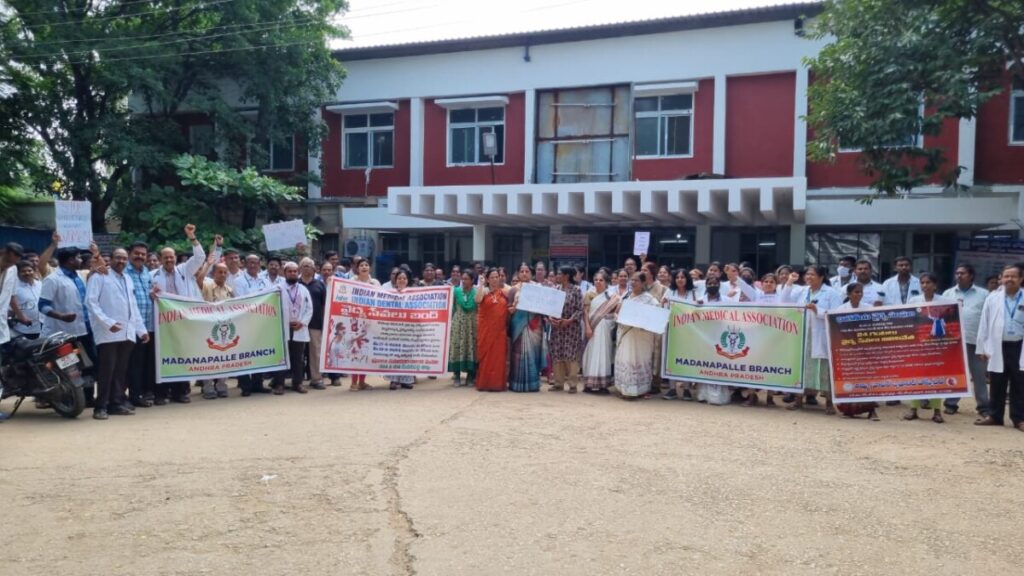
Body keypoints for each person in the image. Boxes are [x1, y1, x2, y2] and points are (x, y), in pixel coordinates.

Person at [86, 248, 149, 420]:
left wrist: (141, 330)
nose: (121, 261)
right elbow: (91, 302)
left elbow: (132, 306)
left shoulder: (127, 279)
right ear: (110, 259)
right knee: (107, 370)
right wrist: (108, 323)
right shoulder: (100, 276)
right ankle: (100, 407)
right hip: (108, 333)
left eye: (123, 258)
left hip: (127, 332)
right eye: (117, 258)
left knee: (121, 370)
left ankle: (115, 402)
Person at [151, 224, 205, 403]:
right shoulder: (151, 276)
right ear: (160, 259)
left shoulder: (184, 270)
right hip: (163, 324)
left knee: (182, 355)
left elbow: (200, 257)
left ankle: (181, 392)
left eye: (171, 257)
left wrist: (191, 236)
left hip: (183, 322)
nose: (169, 260)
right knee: (164, 357)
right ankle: (161, 393)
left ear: (175, 258)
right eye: (165, 257)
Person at [781, 265, 842, 413]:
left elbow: (836, 315)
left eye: (812, 275)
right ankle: (798, 401)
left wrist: (818, 311)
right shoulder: (802, 291)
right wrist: (789, 282)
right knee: (802, 369)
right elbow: (784, 300)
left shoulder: (831, 293)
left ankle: (829, 403)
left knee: (824, 370)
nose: (808, 277)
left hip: (821, 336)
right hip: (804, 336)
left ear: (821, 277)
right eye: (807, 274)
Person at [39, 247, 96, 405]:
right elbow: (43, 305)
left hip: (84, 330)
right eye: (78, 257)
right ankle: (68, 400)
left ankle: (88, 398)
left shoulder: (78, 276)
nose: (81, 260)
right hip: (62, 333)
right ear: (70, 260)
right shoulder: (52, 279)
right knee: (69, 367)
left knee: (90, 364)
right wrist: (61, 316)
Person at [899, 273, 955, 422]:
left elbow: (951, 320)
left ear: (935, 285)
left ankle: (937, 411)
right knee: (916, 375)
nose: (925, 285)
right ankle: (913, 409)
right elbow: (908, 320)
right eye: (922, 283)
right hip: (919, 343)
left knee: (937, 376)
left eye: (928, 282)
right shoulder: (914, 300)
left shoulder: (945, 302)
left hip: (938, 345)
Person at [975, 264, 1024, 432]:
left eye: (1013, 276)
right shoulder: (993, 298)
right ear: (1001, 278)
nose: (1009, 279)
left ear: (1021, 279)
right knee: (997, 382)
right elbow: (984, 323)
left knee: (1020, 383)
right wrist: (981, 348)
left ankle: (1019, 418)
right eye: (1006, 276)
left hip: (1019, 347)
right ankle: (994, 416)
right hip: (998, 346)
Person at [943, 264, 990, 417]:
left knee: (979, 375)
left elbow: (989, 317)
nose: (958, 276)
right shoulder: (948, 293)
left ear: (971, 275)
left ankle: (983, 407)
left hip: (975, 341)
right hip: (954, 342)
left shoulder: (984, 294)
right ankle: (951, 403)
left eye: (962, 273)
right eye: (957, 273)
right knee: (955, 373)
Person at [614, 272, 659, 399]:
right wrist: (617, 317)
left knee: (640, 360)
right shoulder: (627, 297)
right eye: (631, 280)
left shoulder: (649, 299)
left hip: (641, 336)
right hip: (627, 334)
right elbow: (617, 313)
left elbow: (655, 315)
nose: (633, 282)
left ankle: (640, 389)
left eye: (636, 280)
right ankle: (626, 389)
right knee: (627, 359)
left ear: (643, 283)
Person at [273, 262, 313, 395]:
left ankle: (298, 383)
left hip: (299, 327)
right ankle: (279, 384)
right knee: (282, 357)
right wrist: (283, 322)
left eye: (295, 271)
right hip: (283, 327)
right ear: (284, 273)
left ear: (298, 272)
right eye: (290, 271)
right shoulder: (277, 288)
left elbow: (309, 308)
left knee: (298, 358)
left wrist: (302, 322)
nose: (293, 273)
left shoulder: (303, 289)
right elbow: (273, 308)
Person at [125, 241, 156, 407]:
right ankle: (133, 396)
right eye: (137, 253)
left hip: (147, 326)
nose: (140, 256)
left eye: (143, 254)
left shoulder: (146, 273)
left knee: (143, 362)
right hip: (131, 326)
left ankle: (141, 393)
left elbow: (149, 293)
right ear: (130, 254)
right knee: (132, 364)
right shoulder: (123, 271)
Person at [199, 262, 235, 399]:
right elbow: (199, 280)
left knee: (224, 357)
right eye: (220, 272)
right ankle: (207, 387)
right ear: (214, 273)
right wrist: (208, 261)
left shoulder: (229, 290)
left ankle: (221, 385)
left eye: (225, 272)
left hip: (224, 328)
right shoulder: (207, 285)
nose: (223, 275)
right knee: (208, 358)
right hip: (208, 327)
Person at [507, 264, 544, 393]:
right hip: (518, 326)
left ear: (531, 274)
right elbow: (508, 309)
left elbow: (544, 306)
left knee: (533, 355)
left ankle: (533, 384)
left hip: (535, 325)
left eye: (527, 271)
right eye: (521, 271)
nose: (524, 273)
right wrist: (511, 309)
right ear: (518, 274)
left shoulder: (538, 288)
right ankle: (517, 384)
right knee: (518, 355)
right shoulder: (513, 290)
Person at [582, 270, 620, 394]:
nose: (598, 282)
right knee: (591, 353)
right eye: (596, 280)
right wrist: (587, 327)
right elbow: (586, 312)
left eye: (601, 280)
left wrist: (611, 318)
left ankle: (603, 385)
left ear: (606, 282)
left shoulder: (611, 296)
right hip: (592, 328)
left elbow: (616, 311)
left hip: (605, 328)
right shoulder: (589, 294)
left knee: (604, 354)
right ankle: (589, 384)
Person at [475, 267, 511, 392]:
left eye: (497, 277)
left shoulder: (505, 292)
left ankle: (497, 384)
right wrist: (481, 284)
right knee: (486, 358)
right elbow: (477, 300)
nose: (495, 279)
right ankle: (485, 383)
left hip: (500, 332)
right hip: (486, 331)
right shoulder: (484, 291)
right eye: (492, 277)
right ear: (488, 279)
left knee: (498, 358)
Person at [549, 266, 583, 394]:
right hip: (557, 328)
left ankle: (573, 384)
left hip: (571, 328)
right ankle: (558, 383)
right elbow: (550, 307)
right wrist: (551, 318)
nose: (557, 276)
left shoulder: (576, 290)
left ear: (567, 276)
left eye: (559, 273)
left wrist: (569, 320)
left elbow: (580, 310)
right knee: (557, 354)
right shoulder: (556, 290)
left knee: (570, 354)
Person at [384, 269, 417, 390]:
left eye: (404, 278)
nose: (402, 280)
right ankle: (393, 380)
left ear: (408, 280)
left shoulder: (413, 294)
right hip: (394, 328)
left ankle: (406, 380)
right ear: (395, 280)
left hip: (408, 328)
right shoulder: (390, 293)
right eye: (399, 278)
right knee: (394, 354)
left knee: (407, 354)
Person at [297, 257, 327, 390]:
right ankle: (297, 380)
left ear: (314, 269)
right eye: (304, 265)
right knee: (298, 352)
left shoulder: (320, 285)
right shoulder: (295, 284)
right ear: (300, 268)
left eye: (309, 265)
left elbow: (324, 305)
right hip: (298, 325)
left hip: (315, 323)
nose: (306, 267)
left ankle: (316, 378)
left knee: (315, 352)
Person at [448, 270, 478, 387]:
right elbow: (451, 306)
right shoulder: (456, 291)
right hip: (458, 324)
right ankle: (457, 375)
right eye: (463, 279)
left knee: (470, 347)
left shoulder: (476, 292)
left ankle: (470, 376)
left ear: (472, 280)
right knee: (457, 347)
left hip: (471, 324)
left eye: (466, 279)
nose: (464, 281)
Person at [11, 260, 42, 339]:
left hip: (43, 328)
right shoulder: (13, 288)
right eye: (23, 271)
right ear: (17, 273)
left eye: (29, 270)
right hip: (25, 329)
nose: (27, 273)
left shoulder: (40, 284)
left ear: (34, 271)